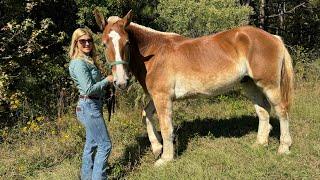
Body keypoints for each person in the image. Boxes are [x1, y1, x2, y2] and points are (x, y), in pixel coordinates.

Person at [68, 28, 113, 180]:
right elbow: (88, 89)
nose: (87, 43)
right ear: (76, 43)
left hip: (91, 105)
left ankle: (86, 176)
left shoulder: (87, 60)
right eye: (83, 41)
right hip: (89, 106)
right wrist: (107, 80)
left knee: (92, 144)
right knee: (105, 145)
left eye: (89, 40)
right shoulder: (79, 63)